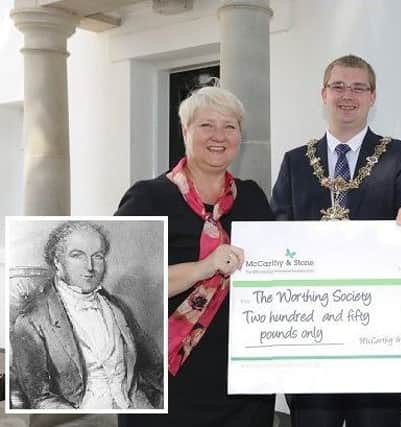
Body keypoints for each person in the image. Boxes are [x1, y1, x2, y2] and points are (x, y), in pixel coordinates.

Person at [271, 54, 401, 427]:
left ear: (372, 97)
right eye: (339, 86)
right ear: (323, 93)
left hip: (375, 331)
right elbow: (276, 229)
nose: (348, 95)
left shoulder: (398, 155)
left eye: (359, 87)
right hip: (310, 332)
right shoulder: (295, 161)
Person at [115, 85, 275, 427]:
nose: (219, 136)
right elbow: (121, 286)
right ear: (185, 131)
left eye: (230, 126)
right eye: (206, 125)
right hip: (166, 379)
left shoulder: (252, 198)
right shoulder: (149, 198)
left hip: (241, 383)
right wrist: (204, 267)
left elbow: (275, 271)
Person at [11, 221, 163, 410]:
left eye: (97, 256)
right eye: (77, 255)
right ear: (57, 262)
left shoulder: (117, 308)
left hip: (134, 407)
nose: (90, 266)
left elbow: (154, 366)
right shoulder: (30, 322)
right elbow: (41, 398)